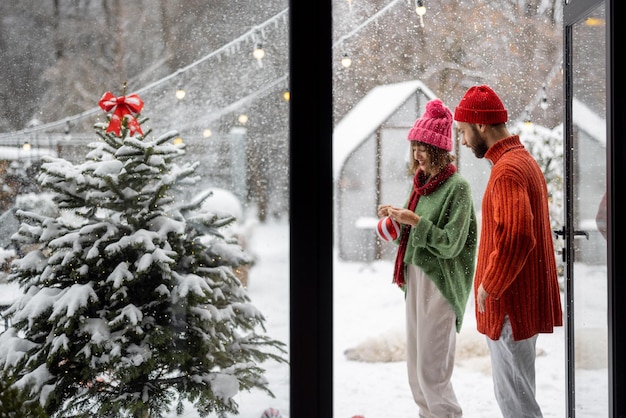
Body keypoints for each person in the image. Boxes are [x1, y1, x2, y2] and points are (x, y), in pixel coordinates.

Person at [453, 85, 563, 418]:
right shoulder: (521, 161)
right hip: (518, 302)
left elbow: (517, 236)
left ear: (481, 125)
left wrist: (491, 284)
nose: (462, 141)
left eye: (463, 131)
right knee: (519, 396)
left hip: (509, 307)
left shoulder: (508, 171)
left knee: (516, 404)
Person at [377, 98, 477, 418]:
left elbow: (451, 244)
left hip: (441, 281)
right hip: (416, 275)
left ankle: (446, 415)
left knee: (432, 368)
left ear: (440, 149)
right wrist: (396, 218)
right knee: (415, 367)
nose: (417, 154)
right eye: (415, 147)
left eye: (424, 147)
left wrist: (416, 222)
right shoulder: (419, 184)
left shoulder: (457, 188)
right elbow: (410, 237)